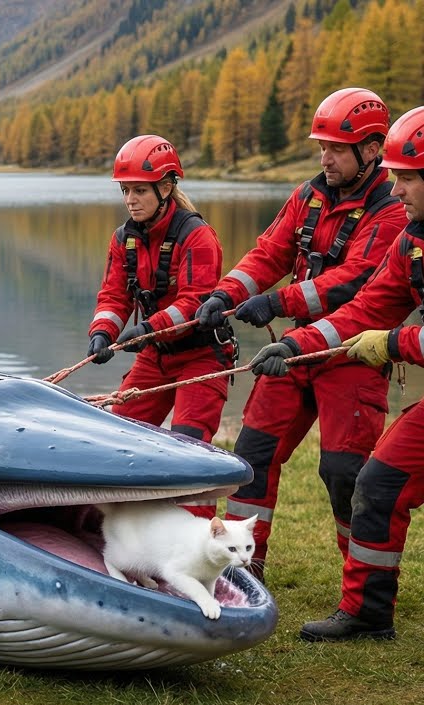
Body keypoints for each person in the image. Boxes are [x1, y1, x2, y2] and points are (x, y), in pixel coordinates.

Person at [196, 88, 408, 581]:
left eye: (335, 148)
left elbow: (356, 280)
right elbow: (268, 254)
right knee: (252, 455)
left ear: (371, 150)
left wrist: (279, 301)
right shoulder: (309, 195)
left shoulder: (392, 209)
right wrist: (224, 296)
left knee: (342, 474)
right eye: (321, 146)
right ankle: (243, 570)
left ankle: (363, 589)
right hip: (293, 352)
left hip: (354, 353)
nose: (324, 157)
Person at [249, 106, 424, 640]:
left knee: (352, 473)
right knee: (379, 481)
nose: (398, 191)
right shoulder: (414, 238)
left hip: (355, 373)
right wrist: (296, 343)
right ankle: (368, 616)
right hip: (317, 355)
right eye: (397, 177)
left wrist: (395, 342)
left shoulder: (392, 220)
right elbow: (366, 309)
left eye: (410, 178)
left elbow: (358, 296)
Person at [87, 135, 236, 518]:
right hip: (156, 356)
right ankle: (122, 527)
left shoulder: (197, 236)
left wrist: (148, 329)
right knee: (117, 439)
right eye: (126, 190)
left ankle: (197, 546)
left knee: (189, 453)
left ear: (166, 187)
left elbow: (195, 301)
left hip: (202, 357)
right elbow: (114, 296)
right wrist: (102, 332)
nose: (130, 200)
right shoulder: (125, 239)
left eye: (139, 190)